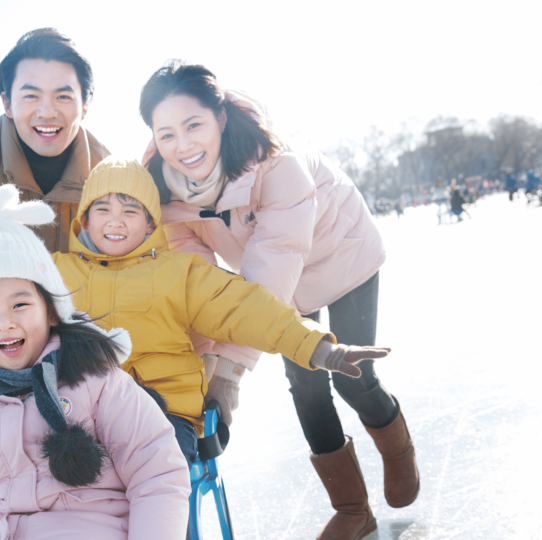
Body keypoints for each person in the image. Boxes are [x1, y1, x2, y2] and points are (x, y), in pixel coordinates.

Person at [0, 160, 390, 472]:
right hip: (78, 412)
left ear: (151, 220)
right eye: (103, 207)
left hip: (162, 415)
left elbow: (250, 309)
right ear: (84, 218)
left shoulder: (181, 272)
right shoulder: (54, 268)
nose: (116, 219)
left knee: (134, 468)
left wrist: (320, 348)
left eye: (132, 209)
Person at [137, 62, 416, 540]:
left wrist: (227, 378)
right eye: (166, 134)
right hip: (276, 275)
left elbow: (269, 278)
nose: (182, 146)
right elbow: (196, 284)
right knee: (306, 387)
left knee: (353, 378)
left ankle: (395, 444)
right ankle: (353, 509)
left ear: (220, 119)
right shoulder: (164, 197)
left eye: (193, 125)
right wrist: (198, 370)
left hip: (341, 258)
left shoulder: (277, 167)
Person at [0, 189, 191, 539]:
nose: (4, 323)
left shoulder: (97, 383)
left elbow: (157, 474)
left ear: (52, 311)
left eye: (20, 305)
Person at [0, 28, 110, 253]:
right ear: (7, 103)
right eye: (31, 96)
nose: (47, 112)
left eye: (63, 97)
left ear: (85, 105)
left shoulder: (108, 173)